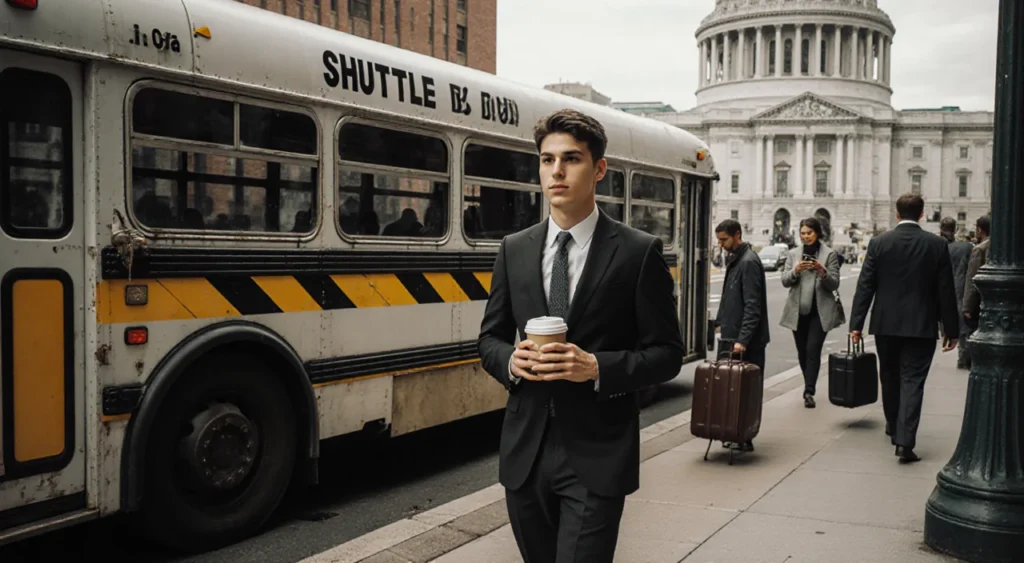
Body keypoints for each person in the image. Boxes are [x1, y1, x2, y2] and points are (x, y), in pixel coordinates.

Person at [477, 108, 684, 563]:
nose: (557, 171)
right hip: (525, 454)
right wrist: (511, 362)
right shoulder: (514, 249)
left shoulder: (637, 252)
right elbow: (489, 339)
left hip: (597, 456)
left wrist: (595, 368)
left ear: (599, 169)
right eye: (547, 160)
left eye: (571, 159)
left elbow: (668, 354)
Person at [849, 194, 959, 463]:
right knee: (913, 381)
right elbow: (946, 290)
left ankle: (892, 424)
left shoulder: (878, 243)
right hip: (921, 325)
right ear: (922, 214)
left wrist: (856, 324)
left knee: (889, 376)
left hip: (885, 324)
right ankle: (905, 442)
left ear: (896, 215)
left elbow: (866, 286)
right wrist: (952, 330)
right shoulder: (936, 245)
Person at [713, 219, 769, 450]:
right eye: (719, 240)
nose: (721, 245)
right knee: (731, 390)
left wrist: (742, 340)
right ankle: (734, 432)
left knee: (743, 392)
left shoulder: (748, 262)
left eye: (724, 240)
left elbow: (752, 307)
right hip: (733, 337)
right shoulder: (738, 259)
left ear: (737, 235)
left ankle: (743, 437)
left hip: (744, 342)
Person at [780, 217, 844, 409]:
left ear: (817, 233)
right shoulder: (793, 254)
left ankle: (809, 390)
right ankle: (809, 382)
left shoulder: (829, 254)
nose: (806, 236)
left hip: (820, 310)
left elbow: (834, 283)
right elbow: (785, 281)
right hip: (798, 310)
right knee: (802, 351)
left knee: (812, 349)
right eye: (803, 233)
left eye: (809, 233)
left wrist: (821, 270)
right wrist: (796, 270)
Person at [939, 217, 974, 369]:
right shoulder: (968, 247)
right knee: (964, 323)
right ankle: (963, 355)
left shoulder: (942, 246)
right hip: (962, 286)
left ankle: (949, 340)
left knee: (949, 317)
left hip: (947, 286)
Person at [963, 215, 991, 338]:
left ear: (979, 230)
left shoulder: (979, 249)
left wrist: (967, 307)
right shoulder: (998, 245)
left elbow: (972, 279)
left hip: (980, 304)